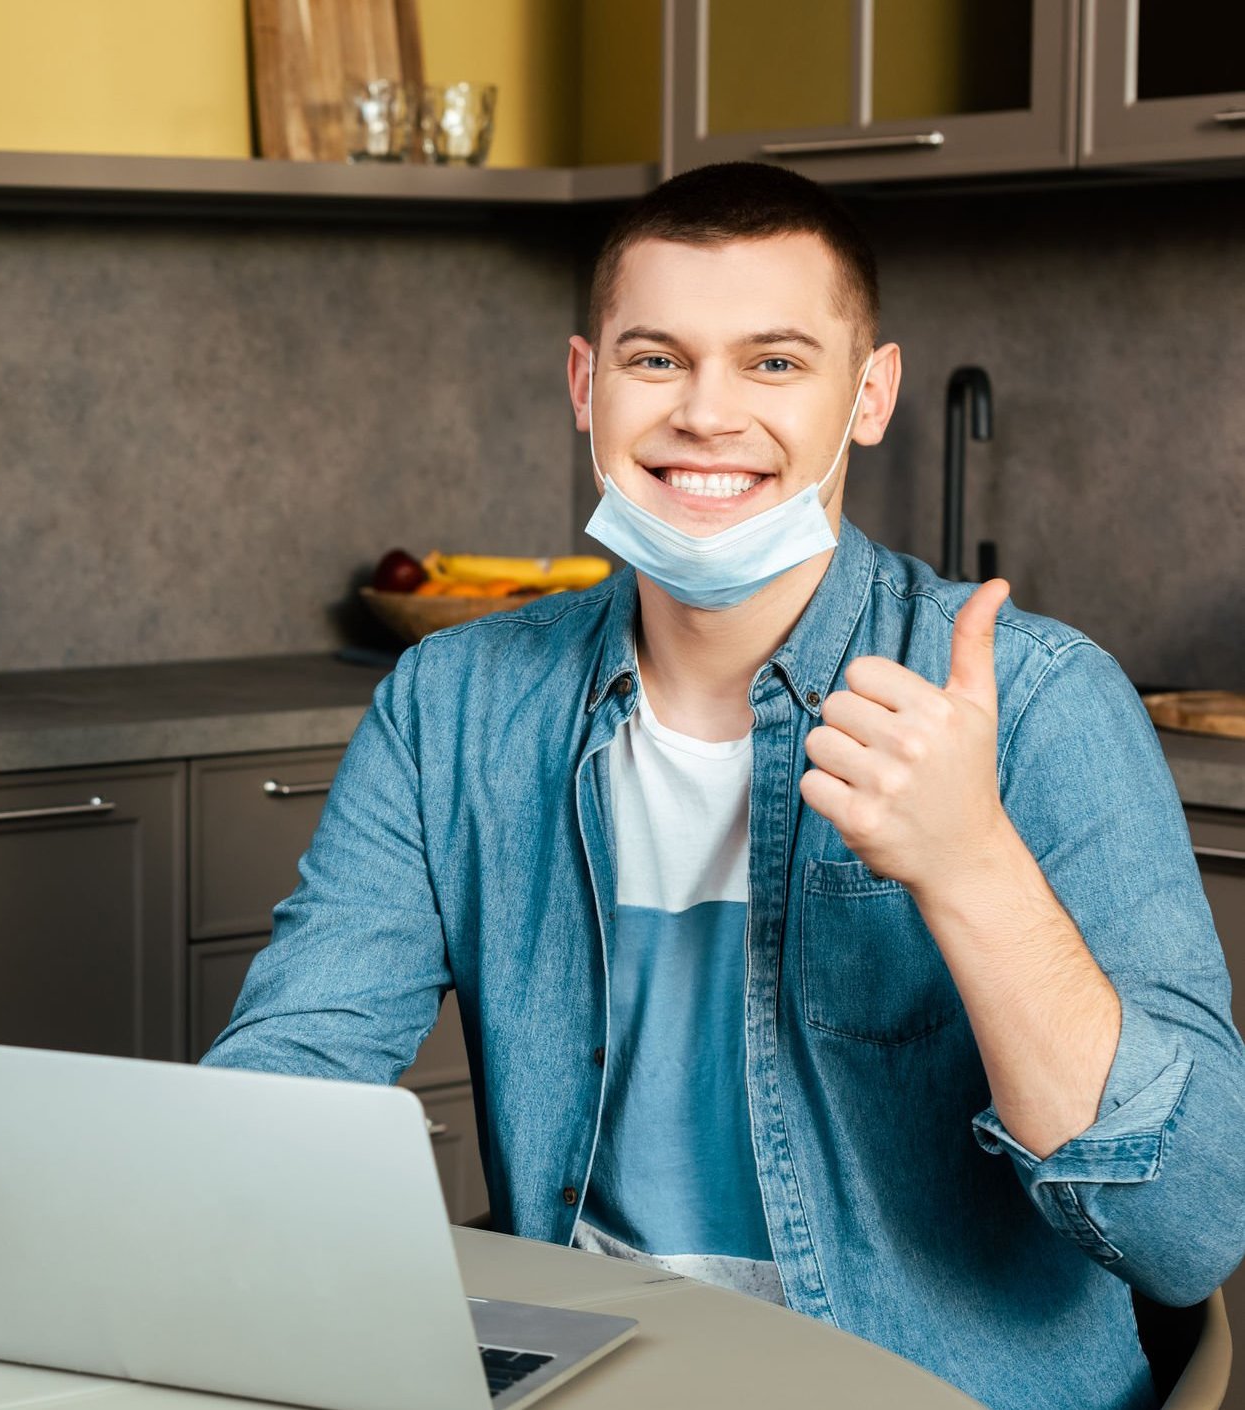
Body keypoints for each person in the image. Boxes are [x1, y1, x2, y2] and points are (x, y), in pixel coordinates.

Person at [205, 163, 1245, 1409]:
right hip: (586, 1377)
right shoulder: (453, 706)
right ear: (586, 387)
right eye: (655, 360)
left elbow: (1188, 1232)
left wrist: (969, 864)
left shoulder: (1036, 702)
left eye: (771, 363)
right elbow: (293, 1069)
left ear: (867, 396)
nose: (704, 413)